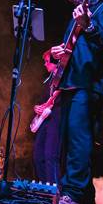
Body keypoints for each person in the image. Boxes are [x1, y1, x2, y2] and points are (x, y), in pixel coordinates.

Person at [49, 0, 103, 204]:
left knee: (79, 141)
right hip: (72, 84)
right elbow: (78, 48)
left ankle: (73, 193)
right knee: (71, 142)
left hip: (88, 86)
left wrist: (89, 26)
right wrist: (62, 51)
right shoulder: (77, 15)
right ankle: (84, 198)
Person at [32, 51, 62, 184]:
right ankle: (44, 187)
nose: (45, 64)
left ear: (56, 62)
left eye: (47, 61)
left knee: (51, 154)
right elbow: (42, 99)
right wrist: (36, 108)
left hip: (56, 116)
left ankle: (53, 190)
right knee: (38, 155)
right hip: (44, 119)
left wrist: (48, 104)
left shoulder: (63, 76)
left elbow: (60, 94)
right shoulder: (48, 79)